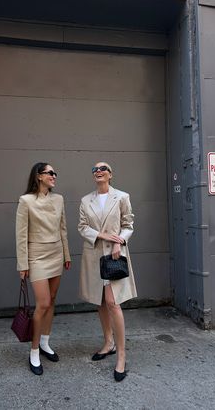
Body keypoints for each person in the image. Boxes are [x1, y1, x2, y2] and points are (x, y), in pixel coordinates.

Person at [78, 162, 137, 382]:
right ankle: (108, 343)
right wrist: (103, 236)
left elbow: (128, 224)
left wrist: (119, 242)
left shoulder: (121, 196)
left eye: (103, 168)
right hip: (94, 255)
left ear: (110, 174)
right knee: (100, 302)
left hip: (115, 255)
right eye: (94, 169)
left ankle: (121, 355)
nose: (98, 171)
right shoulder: (86, 200)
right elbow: (82, 227)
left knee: (113, 303)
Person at [16, 162, 71, 376]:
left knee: (53, 300)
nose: (54, 176)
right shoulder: (26, 201)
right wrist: (23, 264)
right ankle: (34, 349)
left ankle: (46, 342)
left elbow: (63, 229)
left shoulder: (59, 199)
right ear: (39, 176)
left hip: (56, 253)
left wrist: (66, 254)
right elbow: (21, 235)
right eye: (50, 173)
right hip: (36, 256)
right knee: (43, 303)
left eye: (55, 173)